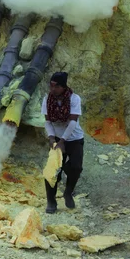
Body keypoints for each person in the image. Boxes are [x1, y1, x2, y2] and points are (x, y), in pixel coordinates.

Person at [41, 72, 84, 214]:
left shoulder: (74, 98)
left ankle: (68, 192)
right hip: (56, 138)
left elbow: (72, 122)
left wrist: (63, 141)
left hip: (74, 138)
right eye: (51, 86)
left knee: (76, 167)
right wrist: (52, 139)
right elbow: (47, 121)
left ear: (63, 86)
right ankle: (51, 201)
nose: (53, 89)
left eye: (56, 86)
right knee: (52, 170)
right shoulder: (47, 99)